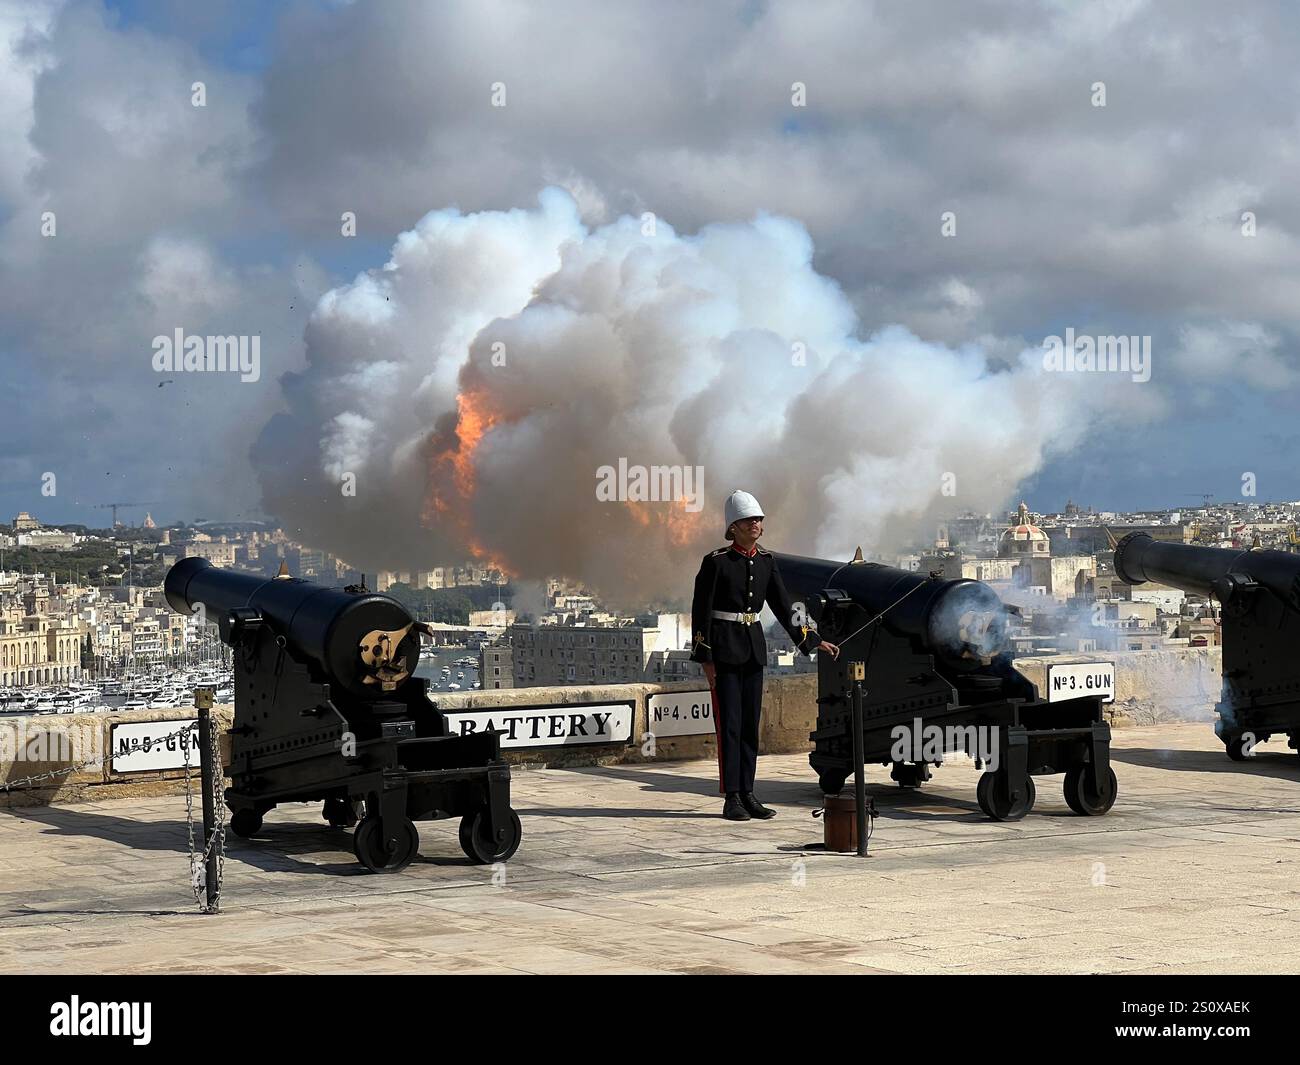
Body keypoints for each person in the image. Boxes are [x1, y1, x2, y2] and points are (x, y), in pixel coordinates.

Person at [689, 490, 840, 821]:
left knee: (749, 727)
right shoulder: (716, 562)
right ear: (734, 527)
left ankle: (748, 792)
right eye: (749, 520)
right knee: (730, 725)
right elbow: (700, 613)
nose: (756, 524)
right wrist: (706, 659)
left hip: (753, 649)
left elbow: (785, 608)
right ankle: (732, 797)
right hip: (725, 649)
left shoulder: (767, 562)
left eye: (759, 519)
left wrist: (813, 640)